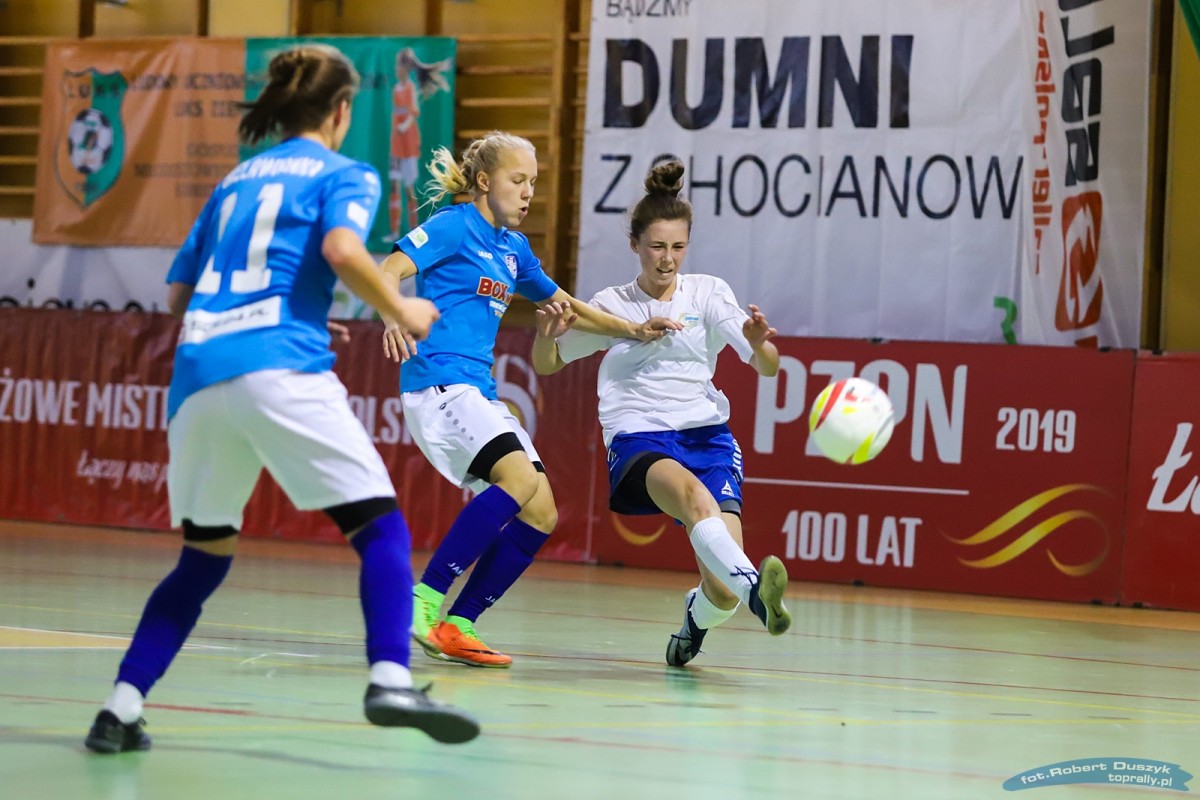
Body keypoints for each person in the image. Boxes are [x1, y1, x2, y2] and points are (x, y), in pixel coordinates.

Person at [83, 44, 479, 754]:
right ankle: (390, 679)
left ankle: (120, 707)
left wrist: (288, 311)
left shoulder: (234, 180)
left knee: (203, 558)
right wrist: (400, 308)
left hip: (198, 377)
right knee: (383, 532)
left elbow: (178, 296)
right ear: (342, 111)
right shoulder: (345, 173)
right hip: (279, 368)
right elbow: (341, 251)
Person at [378, 131, 681, 668]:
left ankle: (458, 623)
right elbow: (388, 269)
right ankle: (422, 600)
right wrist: (392, 314)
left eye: (533, 183)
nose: (527, 193)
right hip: (438, 382)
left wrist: (634, 329)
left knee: (541, 511)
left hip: (477, 391)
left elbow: (568, 305)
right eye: (517, 180)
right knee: (517, 480)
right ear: (483, 181)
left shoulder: (513, 250)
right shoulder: (453, 226)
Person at [530, 160, 792, 667]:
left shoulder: (709, 293)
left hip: (707, 436)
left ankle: (699, 617)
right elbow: (549, 363)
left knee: (721, 593)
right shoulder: (612, 305)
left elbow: (768, 366)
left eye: (677, 247)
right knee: (695, 500)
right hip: (640, 436)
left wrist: (760, 344)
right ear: (635, 245)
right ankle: (759, 595)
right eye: (656, 246)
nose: (667, 259)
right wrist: (545, 337)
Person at [388, 47, 452, 238]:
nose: (396, 69)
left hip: (408, 144)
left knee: (408, 188)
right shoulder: (396, 89)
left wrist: (405, 125)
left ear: (405, 68)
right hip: (396, 145)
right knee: (393, 184)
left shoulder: (409, 88)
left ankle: (413, 230)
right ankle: (394, 231)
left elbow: (413, 111)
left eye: (398, 65)